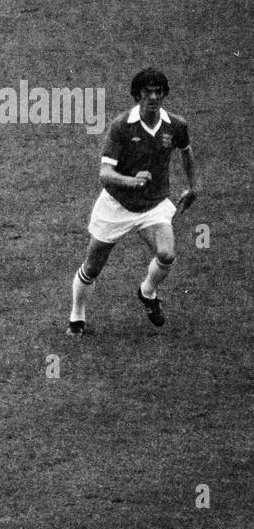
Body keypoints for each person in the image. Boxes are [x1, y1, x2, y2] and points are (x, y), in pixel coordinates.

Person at [67, 68, 199, 335]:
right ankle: (77, 316)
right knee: (92, 267)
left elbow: (186, 150)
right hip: (117, 205)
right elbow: (105, 175)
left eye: (158, 92)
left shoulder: (176, 124)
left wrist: (194, 187)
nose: (153, 97)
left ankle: (147, 292)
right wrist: (132, 181)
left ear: (164, 94)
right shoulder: (122, 126)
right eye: (147, 92)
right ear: (137, 95)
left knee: (167, 254)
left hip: (153, 205)